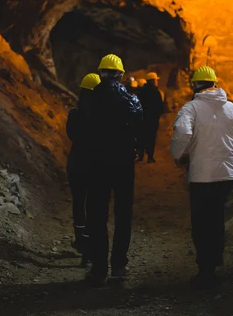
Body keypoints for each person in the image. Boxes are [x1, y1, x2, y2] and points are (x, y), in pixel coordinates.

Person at [170, 65, 233, 289]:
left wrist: (178, 155)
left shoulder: (191, 109)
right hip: (227, 175)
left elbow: (182, 132)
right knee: (217, 218)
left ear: (195, 86)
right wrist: (231, 152)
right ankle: (216, 262)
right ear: (215, 84)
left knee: (201, 221)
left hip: (201, 176)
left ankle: (205, 270)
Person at [83, 53, 143, 286]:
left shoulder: (89, 100)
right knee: (123, 214)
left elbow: (82, 132)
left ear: (101, 73)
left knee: (97, 215)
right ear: (120, 74)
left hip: (97, 164)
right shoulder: (131, 100)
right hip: (123, 164)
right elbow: (139, 127)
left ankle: (99, 269)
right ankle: (119, 266)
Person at [66, 73, 101, 266]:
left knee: (79, 203)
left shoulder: (74, 114)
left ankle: (81, 241)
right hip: (96, 166)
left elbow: (72, 135)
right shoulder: (104, 117)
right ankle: (90, 252)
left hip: (77, 164)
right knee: (94, 206)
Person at [137, 72, 164, 163]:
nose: (157, 82)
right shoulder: (156, 92)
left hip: (142, 118)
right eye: (156, 80)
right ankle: (150, 157)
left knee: (142, 137)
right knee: (151, 138)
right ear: (153, 81)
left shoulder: (141, 91)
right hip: (152, 119)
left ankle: (140, 156)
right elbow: (160, 106)